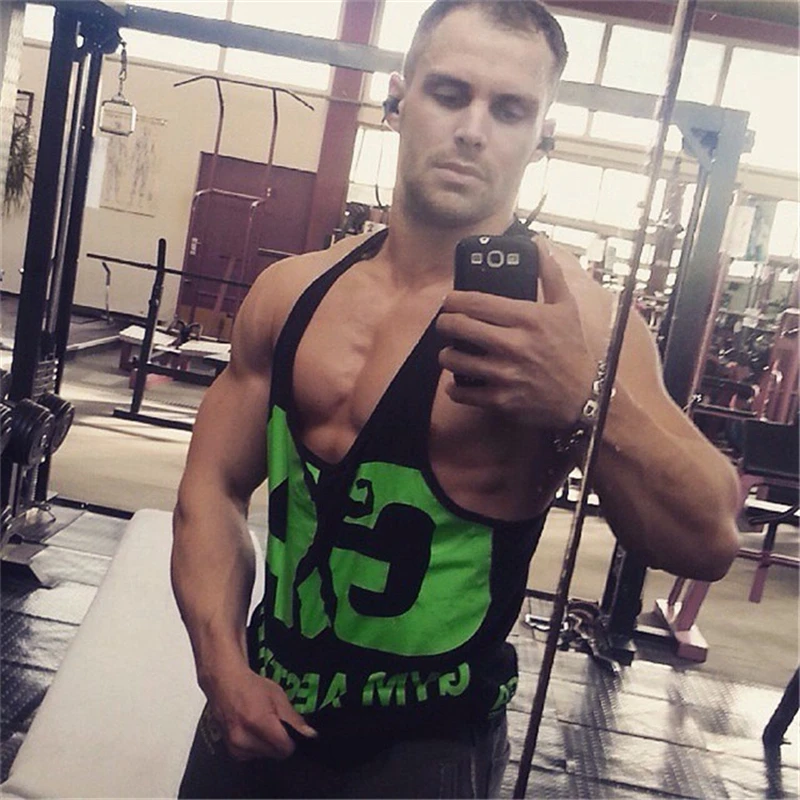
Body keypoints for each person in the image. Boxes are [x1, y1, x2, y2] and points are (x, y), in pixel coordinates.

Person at [172, 1, 741, 796]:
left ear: (542, 134)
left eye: (509, 109)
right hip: (257, 714)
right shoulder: (292, 292)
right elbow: (213, 486)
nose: (473, 130)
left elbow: (710, 536)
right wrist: (222, 667)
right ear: (398, 98)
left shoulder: (580, 322)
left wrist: (586, 399)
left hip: (427, 750)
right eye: (449, 93)